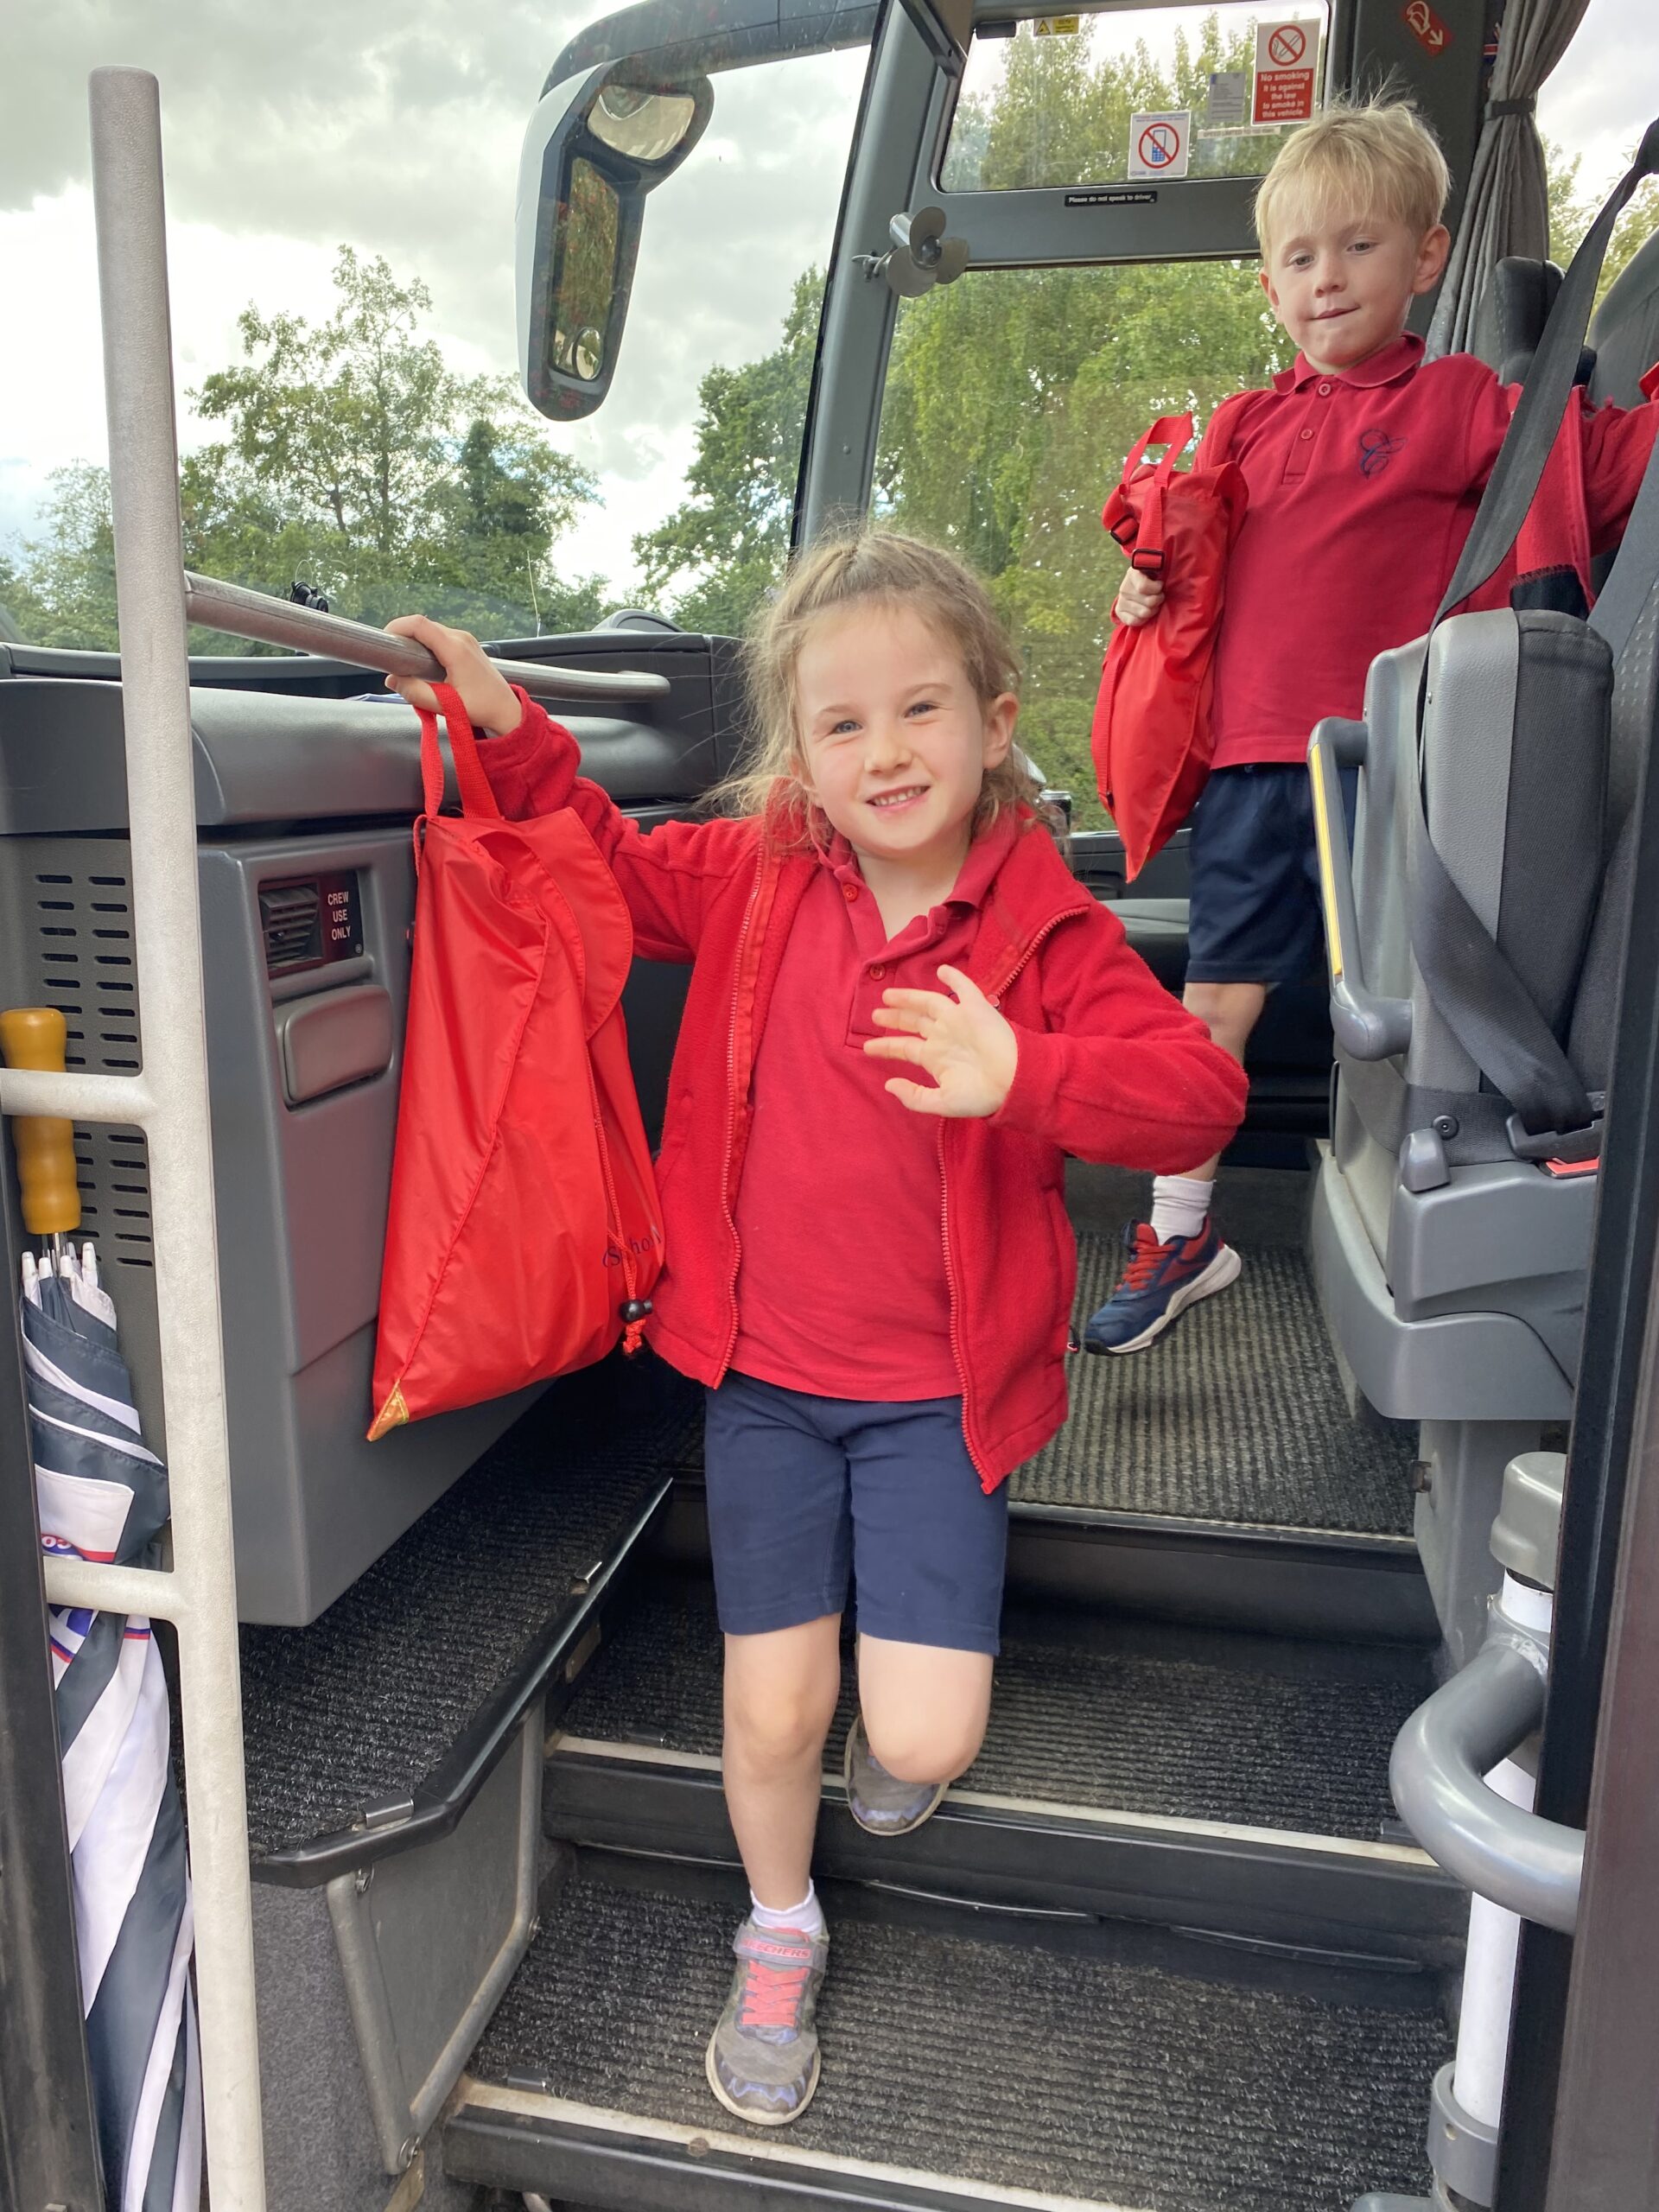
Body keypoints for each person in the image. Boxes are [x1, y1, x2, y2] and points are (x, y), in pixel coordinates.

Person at [383, 533, 1246, 2126]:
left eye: (920, 711)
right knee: (772, 1704)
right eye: (841, 724)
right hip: (769, 1387)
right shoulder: (764, 877)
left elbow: (1203, 1090)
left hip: (937, 1402)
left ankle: (894, 1725)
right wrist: (508, 727)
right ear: (800, 749)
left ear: (994, 725)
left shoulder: (1044, 933)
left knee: (923, 1730)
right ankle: (778, 1922)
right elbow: (600, 859)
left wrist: (1028, 1079)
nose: (883, 751)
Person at [1085, 97, 1659, 1356]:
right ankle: (1183, 1229)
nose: (1326, 279)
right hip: (1252, 771)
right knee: (1215, 1004)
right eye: (1299, 257)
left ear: (1427, 257)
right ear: (1269, 281)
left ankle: (1423, 1207)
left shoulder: (1454, 403)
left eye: (1357, 248)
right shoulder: (1240, 425)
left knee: (1404, 1009)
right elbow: (1195, 562)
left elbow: (1599, 464)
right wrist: (1146, 583)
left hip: (1390, 768)